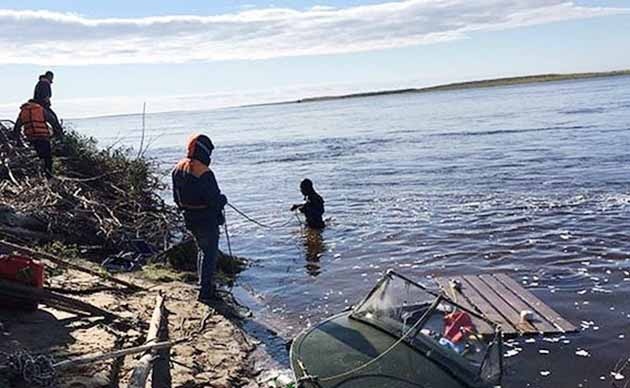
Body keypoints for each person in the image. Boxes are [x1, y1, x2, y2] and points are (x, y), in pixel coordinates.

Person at [172, 134, 227, 303]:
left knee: (202, 251)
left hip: (189, 218)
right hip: (206, 219)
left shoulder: (178, 168)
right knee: (209, 254)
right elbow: (214, 200)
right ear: (204, 151)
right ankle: (206, 291)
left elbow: (176, 198)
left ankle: (203, 285)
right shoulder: (204, 172)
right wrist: (223, 200)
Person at [12, 100, 64, 177]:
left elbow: (17, 128)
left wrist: (18, 141)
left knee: (37, 156)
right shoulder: (41, 109)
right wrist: (59, 135)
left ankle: (37, 173)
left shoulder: (23, 112)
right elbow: (53, 122)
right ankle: (48, 176)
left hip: (31, 138)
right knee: (48, 159)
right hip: (43, 137)